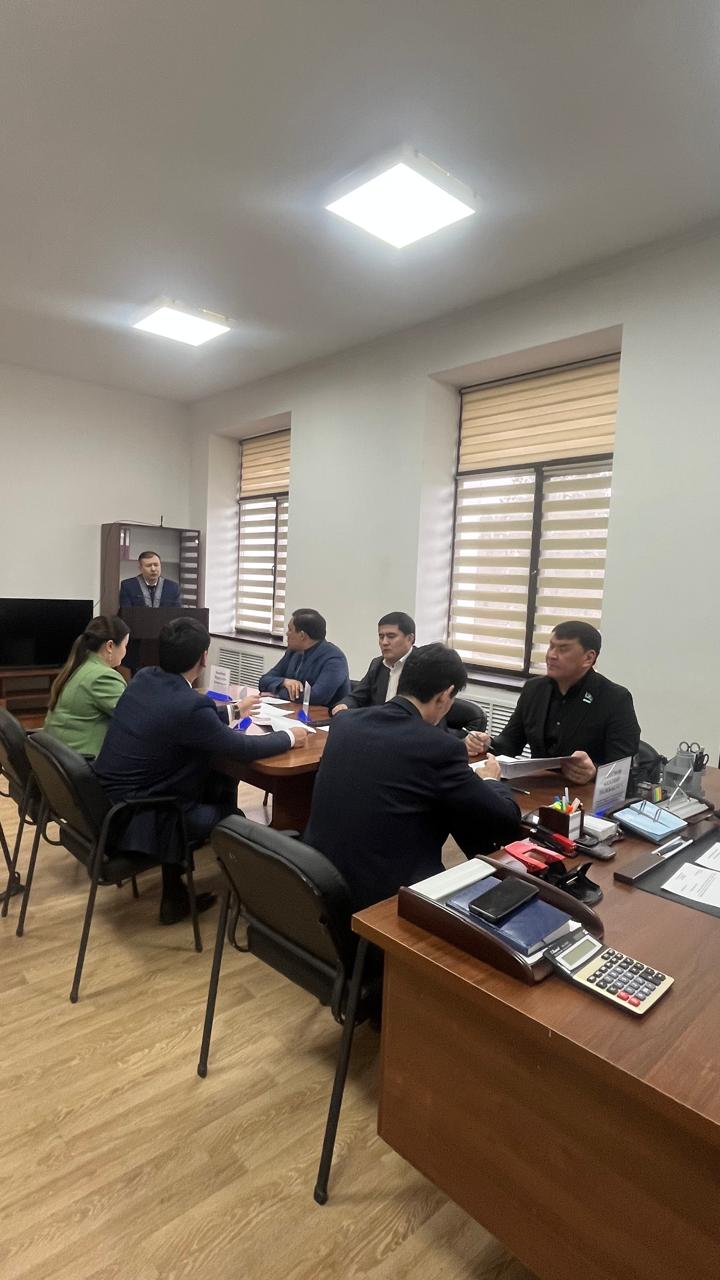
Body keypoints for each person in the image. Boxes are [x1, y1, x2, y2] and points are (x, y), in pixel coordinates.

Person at [94, 617, 307, 924]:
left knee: (215, 781)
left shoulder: (145, 678)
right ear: (204, 658)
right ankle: (251, 901)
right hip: (144, 815)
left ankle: (175, 895)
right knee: (233, 817)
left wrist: (236, 709)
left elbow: (187, 721)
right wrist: (290, 737)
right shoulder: (188, 706)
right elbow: (241, 748)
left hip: (114, 802)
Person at [303, 643, 521, 911]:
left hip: (316, 879)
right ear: (446, 695)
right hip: (384, 899)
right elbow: (505, 820)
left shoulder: (346, 723)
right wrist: (490, 780)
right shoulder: (440, 747)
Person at [474, 621, 641, 784]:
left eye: (563, 649)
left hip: (583, 793)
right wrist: (487, 743)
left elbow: (624, 768)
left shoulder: (615, 698)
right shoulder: (534, 689)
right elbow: (510, 742)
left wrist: (594, 772)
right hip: (537, 788)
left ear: (588, 658)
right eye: (551, 646)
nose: (551, 655)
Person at [331, 610, 487, 752]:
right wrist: (344, 705)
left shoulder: (425, 667)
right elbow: (357, 696)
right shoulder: (378, 664)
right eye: (381, 636)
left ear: (410, 638)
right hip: (378, 736)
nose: (384, 642)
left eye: (391, 636)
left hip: (411, 741)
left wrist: (462, 743)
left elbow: (434, 722)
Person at [44, 616, 130, 756]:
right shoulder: (103, 677)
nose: (126, 651)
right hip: (83, 760)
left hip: (58, 757)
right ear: (110, 646)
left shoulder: (80, 667)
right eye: (125, 645)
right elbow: (134, 719)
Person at [259, 609, 350, 706]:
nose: (287, 633)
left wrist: (277, 694)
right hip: (293, 709)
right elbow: (264, 681)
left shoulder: (334, 660)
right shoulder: (293, 652)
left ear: (302, 635)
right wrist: (284, 682)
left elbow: (315, 697)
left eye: (290, 630)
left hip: (323, 714)